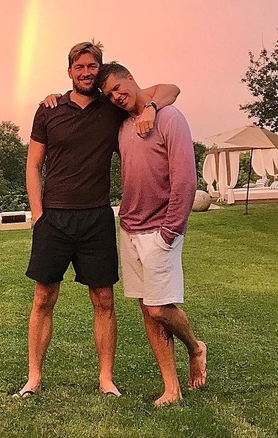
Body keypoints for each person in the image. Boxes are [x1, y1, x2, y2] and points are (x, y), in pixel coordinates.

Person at [15, 41, 180, 398]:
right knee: (43, 297)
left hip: (96, 219)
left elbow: (171, 89)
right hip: (54, 219)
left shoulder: (111, 106)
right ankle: (34, 378)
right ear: (69, 71)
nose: (86, 72)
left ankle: (106, 379)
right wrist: (38, 213)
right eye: (80, 67)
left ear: (99, 70)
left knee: (103, 299)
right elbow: (33, 164)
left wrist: (151, 107)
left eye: (93, 67)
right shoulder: (49, 110)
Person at [95, 61, 207, 406]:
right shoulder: (124, 125)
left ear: (131, 78)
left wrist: (171, 230)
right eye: (109, 94)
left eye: (118, 87)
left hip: (161, 229)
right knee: (147, 311)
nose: (116, 96)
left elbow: (186, 180)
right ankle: (170, 388)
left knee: (160, 310)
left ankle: (195, 346)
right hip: (129, 227)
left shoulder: (170, 118)